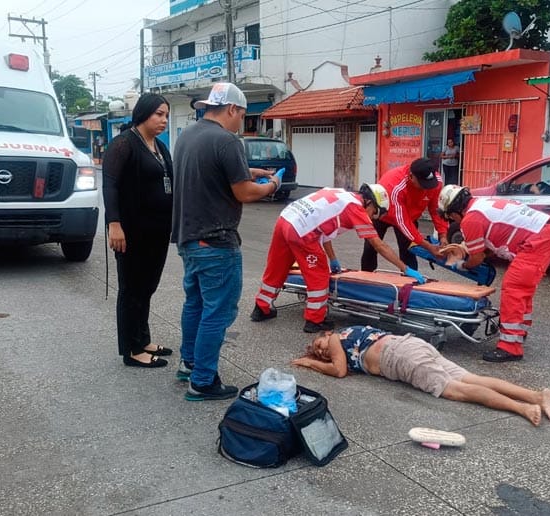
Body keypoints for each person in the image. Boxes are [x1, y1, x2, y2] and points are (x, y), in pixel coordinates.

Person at [172, 82, 282, 401]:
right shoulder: (227, 140)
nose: (241, 123)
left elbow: (214, 171)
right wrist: (271, 184)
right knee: (218, 312)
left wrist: (251, 170)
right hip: (216, 242)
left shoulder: (188, 136)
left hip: (188, 238)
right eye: (242, 115)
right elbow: (245, 192)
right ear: (232, 109)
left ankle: (189, 363)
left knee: (195, 303)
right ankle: (203, 381)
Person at [292, 326, 550, 426]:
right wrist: (317, 359)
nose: (322, 351)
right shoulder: (349, 341)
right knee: (471, 379)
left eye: (319, 345)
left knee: (458, 391)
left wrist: (309, 362)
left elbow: (338, 371)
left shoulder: (339, 337)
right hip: (410, 347)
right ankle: (537, 395)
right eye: (319, 353)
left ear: (327, 334)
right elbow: (340, 365)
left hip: (400, 357)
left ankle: (522, 408)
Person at [251, 184, 427, 333]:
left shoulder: (343, 195)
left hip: (286, 219)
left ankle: (261, 308)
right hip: (302, 231)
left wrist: (333, 259)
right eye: (375, 212)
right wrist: (405, 268)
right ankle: (315, 320)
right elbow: (379, 245)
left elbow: (323, 232)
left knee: (277, 266)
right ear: (369, 202)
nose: (372, 217)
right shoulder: (356, 208)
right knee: (319, 276)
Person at [437, 185, 550, 362]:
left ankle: (510, 347)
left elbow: (478, 257)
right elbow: (491, 243)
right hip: (546, 233)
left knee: (514, 289)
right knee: (522, 289)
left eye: (450, 217)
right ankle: (519, 332)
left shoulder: (471, 219)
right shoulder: (482, 204)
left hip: (538, 239)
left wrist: (461, 265)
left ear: (454, 211)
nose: (452, 221)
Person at [103, 93, 174, 368]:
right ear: (143, 113)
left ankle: (143, 339)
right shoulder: (123, 144)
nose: (164, 120)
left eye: (166, 115)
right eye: (159, 114)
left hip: (157, 231)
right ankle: (131, 350)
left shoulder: (159, 147)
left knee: (147, 288)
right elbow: (110, 186)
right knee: (131, 289)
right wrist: (115, 224)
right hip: (131, 231)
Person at [360, 158, 448, 273]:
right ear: (411, 177)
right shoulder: (396, 186)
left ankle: (411, 280)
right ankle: (366, 277)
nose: (426, 188)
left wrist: (443, 235)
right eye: (422, 185)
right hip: (382, 214)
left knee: (409, 250)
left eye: (428, 185)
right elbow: (403, 223)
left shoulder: (435, 182)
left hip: (410, 217)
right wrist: (429, 247)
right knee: (370, 247)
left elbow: (435, 209)